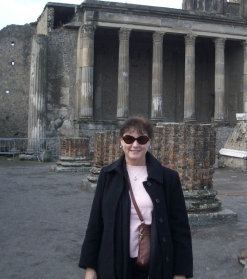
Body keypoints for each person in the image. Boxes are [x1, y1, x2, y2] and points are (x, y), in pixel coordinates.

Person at [79, 117, 193, 279]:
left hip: (155, 263)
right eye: (129, 138)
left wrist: (180, 273)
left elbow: (180, 229)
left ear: (149, 142)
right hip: (114, 262)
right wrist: (90, 267)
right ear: (121, 141)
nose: (135, 144)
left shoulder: (168, 178)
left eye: (142, 139)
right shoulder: (108, 175)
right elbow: (96, 224)